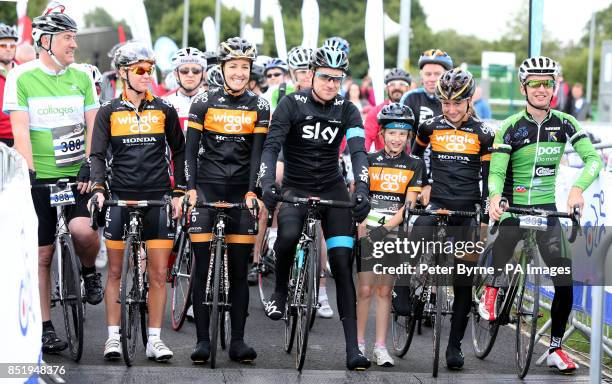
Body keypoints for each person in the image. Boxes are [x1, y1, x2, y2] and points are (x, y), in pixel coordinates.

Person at [482, 56, 603, 374]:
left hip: (547, 208)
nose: (541, 89)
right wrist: (496, 197)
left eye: (547, 83)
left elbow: (593, 160)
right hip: (514, 205)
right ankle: (493, 288)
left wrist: (577, 188)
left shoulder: (564, 123)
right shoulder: (510, 127)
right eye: (534, 83)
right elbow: (496, 173)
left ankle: (555, 348)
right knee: (507, 235)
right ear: (524, 87)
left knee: (565, 282)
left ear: (555, 87)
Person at [260, 45, 372, 371]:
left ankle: (353, 349)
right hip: (296, 186)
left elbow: (358, 151)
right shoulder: (291, 104)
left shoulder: (347, 109)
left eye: (337, 79)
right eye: (325, 77)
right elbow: (271, 146)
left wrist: (362, 188)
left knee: (340, 260)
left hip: (333, 188)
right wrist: (268, 183)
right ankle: (280, 292)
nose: (331, 84)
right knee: (288, 235)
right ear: (311, 74)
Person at [4, 9, 103, 354]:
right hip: (41, 176)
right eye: (67, 38)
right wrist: (30, 176)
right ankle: (45, 326)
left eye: (74, 37)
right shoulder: (21, 77)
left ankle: (89, 270)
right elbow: (21, 134)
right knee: (42, 254)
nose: (74, 44)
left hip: (77, 175)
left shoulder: (81, 77)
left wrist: (90, 166)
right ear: (45, 42)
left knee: (84, 232)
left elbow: (94, 125)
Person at [88, 42, 185, 362]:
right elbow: (98, 155)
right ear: (124, 74)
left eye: (150, 69)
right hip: (120, 197)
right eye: (140, 70)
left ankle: (154, 340)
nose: (147, 75)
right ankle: (113, 337)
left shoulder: (164, 109)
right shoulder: (108, 111)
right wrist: (100, 188)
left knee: (158, 274)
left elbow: (180, 151)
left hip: (157, 197)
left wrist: (179, 192)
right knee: (115, 272)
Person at [185, 37, 270, 364]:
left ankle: (237, 341)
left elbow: (259, 156)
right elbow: (190, 151)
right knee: (202, 263)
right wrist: (189, 188)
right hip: (206, 187)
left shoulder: (259, 105)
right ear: (221, 69)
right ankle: (203, 341)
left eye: (244, 67)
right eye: (233, 66)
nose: (238, 72)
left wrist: (254, 191)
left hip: (240, 190)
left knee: (238, 269)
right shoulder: (203, 102)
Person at [409, 68, 494, 370]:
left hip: (466, 209)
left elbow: (487, 180)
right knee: (414, 240)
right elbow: (415, 159)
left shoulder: (484, 133)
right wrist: (423, 184)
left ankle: (454, 346)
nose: (452, 109)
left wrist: (483, 217)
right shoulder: (429, 127)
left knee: (463, 282)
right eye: (446, 103)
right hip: (437, 204)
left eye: (458, 103)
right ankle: (405, 290)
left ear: (469, 101)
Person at [356, 102, 423, 367]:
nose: (397, 138)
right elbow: (359, 198)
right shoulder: (369, 161)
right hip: (367, 230)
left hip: (392, 233)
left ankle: (380, 347)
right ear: (382, 133)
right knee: (364, 289)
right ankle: (358, 344)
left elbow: (408, 207)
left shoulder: (415, 164)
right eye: (392, 132)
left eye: (403, 133)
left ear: (409, 136)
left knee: (384, 291)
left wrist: (384, 230)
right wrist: (362, 229)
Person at [364, 68, 412, 152]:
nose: (397, 87)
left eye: (402, 84)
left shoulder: (415, 109)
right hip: (382, 162)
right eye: (392, 84)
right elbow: (366, 139)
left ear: (408, 88)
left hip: (412, 162)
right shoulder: (376, 111)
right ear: (386, 89)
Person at [163, 47, 207, 132]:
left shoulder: (213, 102)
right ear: (176, 74)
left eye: (196, 71)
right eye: (184, 71)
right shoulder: (164, 103)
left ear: (203, 74)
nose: (190, 75)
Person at [0, 23, 18, 147]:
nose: (8, 48)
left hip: (24, 136)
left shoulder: (24, 72)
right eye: (3, 45)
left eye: (12, 45)